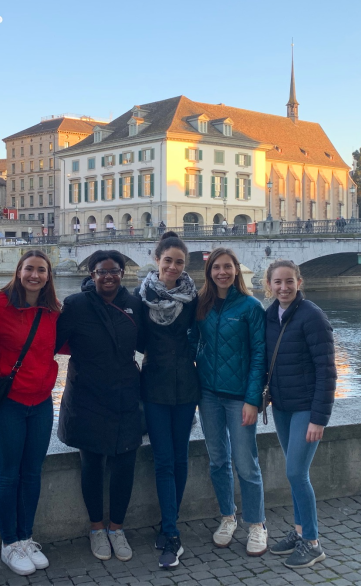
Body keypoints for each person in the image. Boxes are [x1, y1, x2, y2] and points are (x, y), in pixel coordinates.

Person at [56, 250, 143, 563]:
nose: (109, 276)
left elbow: (149, 342)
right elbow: (50, 343)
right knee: (91, 463)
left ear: (122, 272)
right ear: (91, 274)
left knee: (125, 463)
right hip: (87, 395)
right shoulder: (76, 305)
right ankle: (96, 528)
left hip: (126, 393)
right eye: (102, 271)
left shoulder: (134, 303)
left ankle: (116, 528)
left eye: (114, 271)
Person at [0, 250, 62, 576]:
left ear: (48, 276)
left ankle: (27, 537)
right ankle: (9, 543)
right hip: (8, 404)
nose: (35, 275)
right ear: (18, 272)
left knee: (32, 472)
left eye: (41, 270)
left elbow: (69, 344)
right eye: (29, 269)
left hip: (42, 403)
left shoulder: (53, 312)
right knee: (8, 473)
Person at [192, 248, 268, 556]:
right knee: (218, 460)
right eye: (216, 268)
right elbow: (192, 341)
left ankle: (256, 524)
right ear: (209, 272)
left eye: (228, 267)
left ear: (236, 270)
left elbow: (259, 356)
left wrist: (253, 400)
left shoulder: (251, 307)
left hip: (239, 398)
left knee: (246, 463)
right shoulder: (202, 305)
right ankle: (227, 516)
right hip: (208, 395)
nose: (222, 272)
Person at [263, 260, 337, 570]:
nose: (283, 287)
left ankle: (312, 542)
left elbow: (327, 371)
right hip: (282, 406)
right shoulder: (269, 316)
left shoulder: (312, 316)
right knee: (294, 472)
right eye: (277, 282)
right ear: (269, 285)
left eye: (289, 281)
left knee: (295, 472)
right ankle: (298, 532)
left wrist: (319, 418)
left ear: (299, 282)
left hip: (306, 407)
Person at [138, 232, 199, 568]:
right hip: (155, 387)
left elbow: (204, 335)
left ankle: (169, 527)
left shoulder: (194, 299)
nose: (173, 267)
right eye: (168, 260)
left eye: (179, 262)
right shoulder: (142, 297)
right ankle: (172, 534)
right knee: (164, 460)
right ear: (157, 260)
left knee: (180, 459)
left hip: (187, 388)